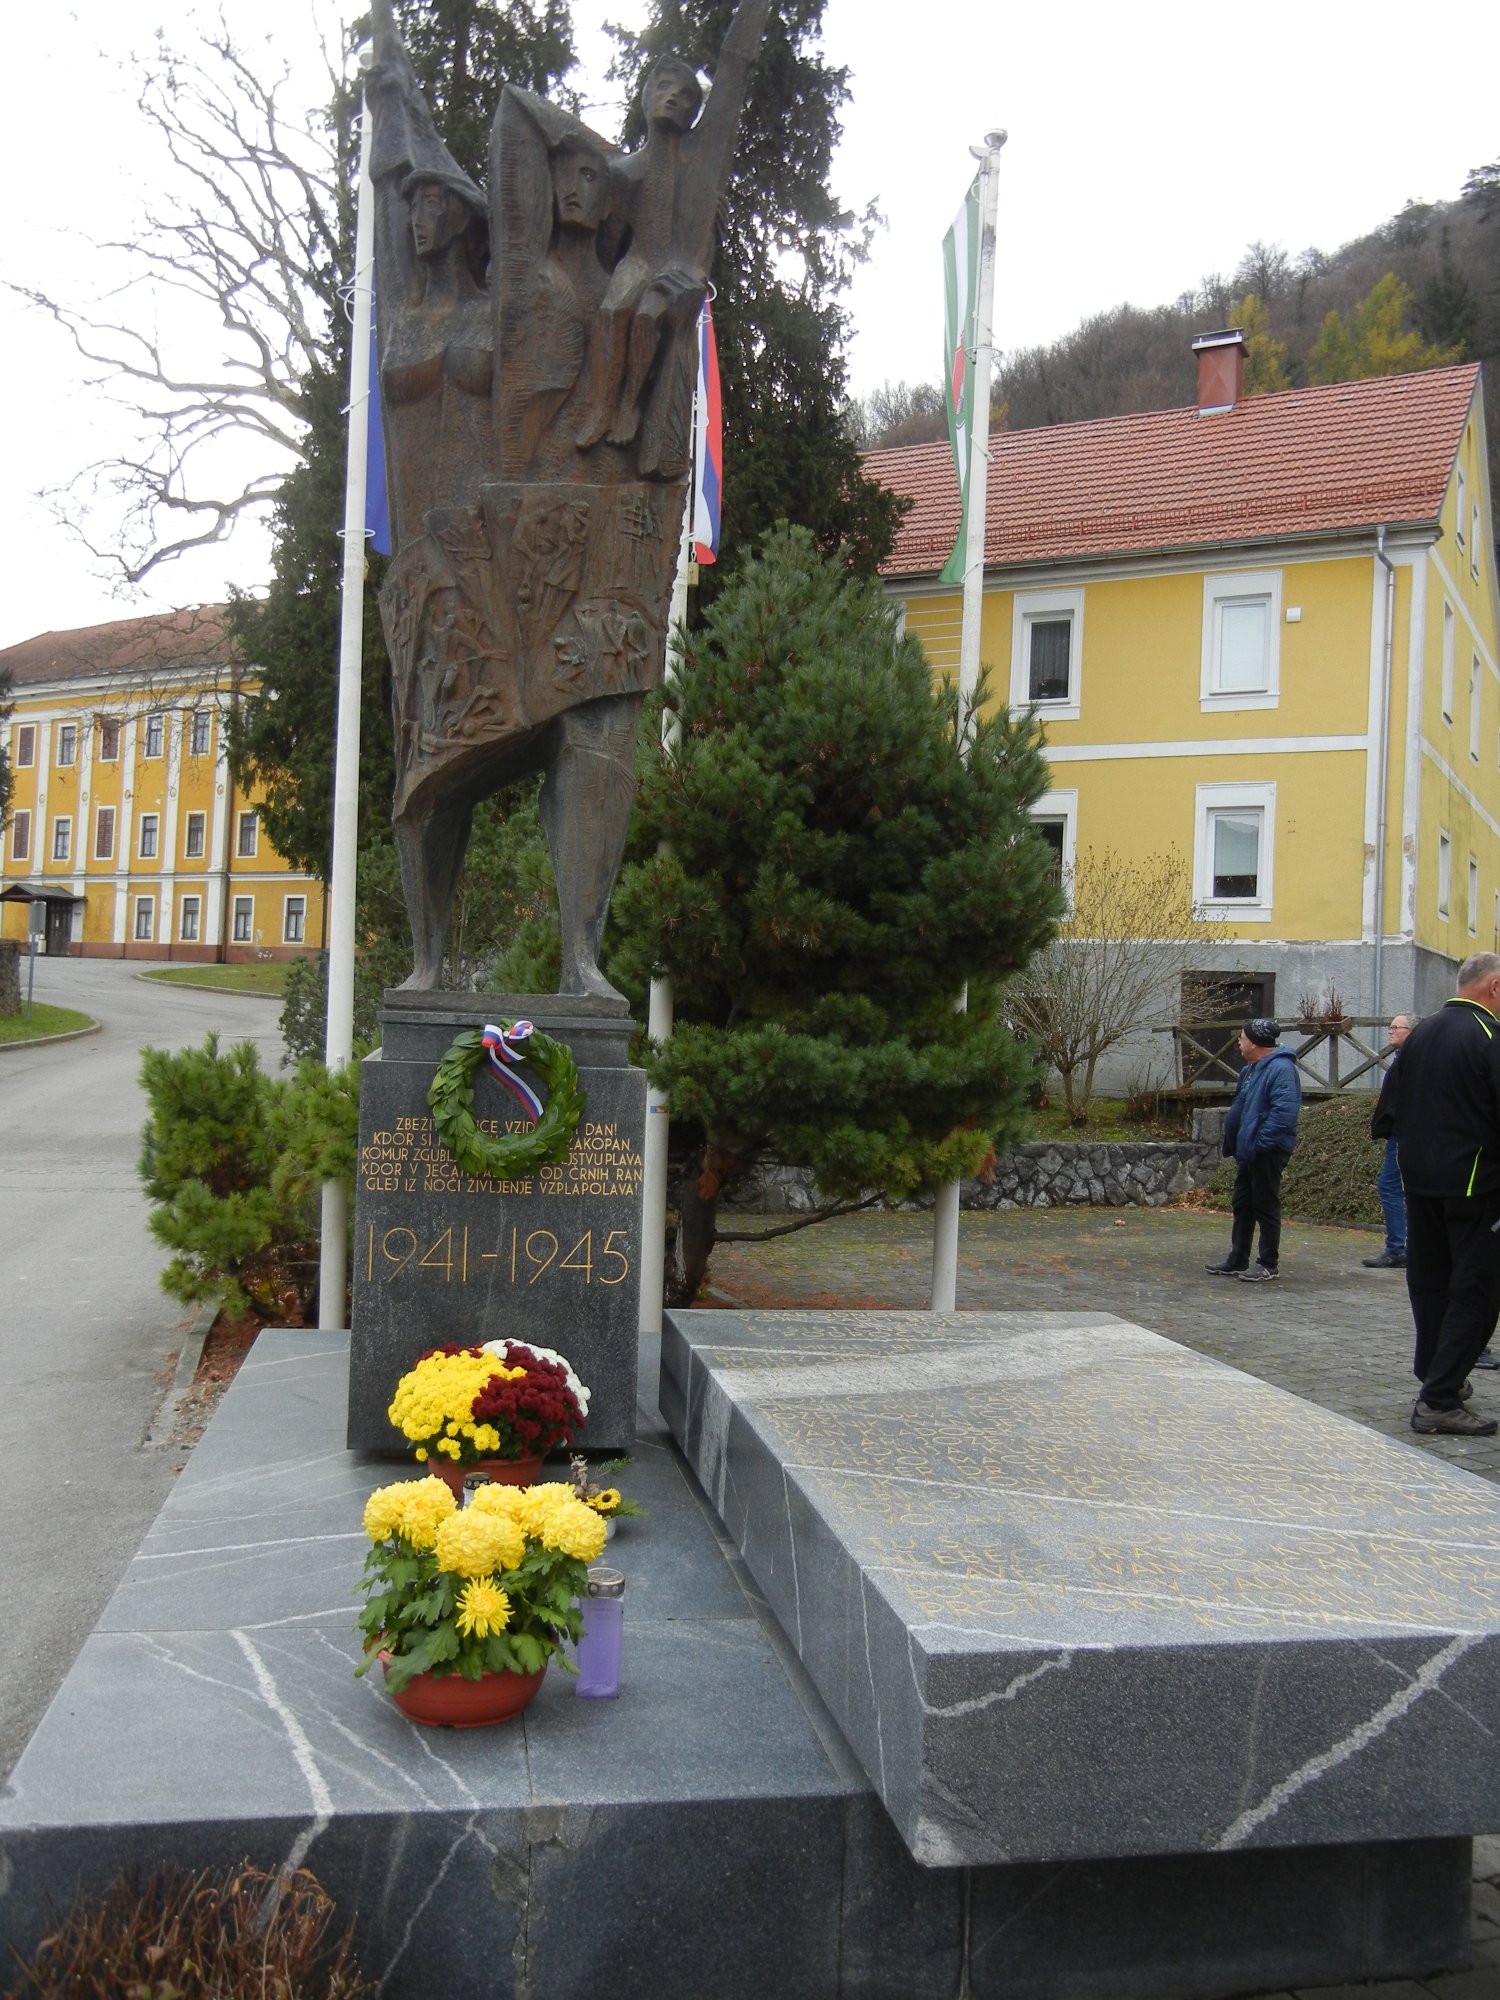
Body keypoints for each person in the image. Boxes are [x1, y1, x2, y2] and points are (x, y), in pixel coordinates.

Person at [1384, 952, 1500, 1436]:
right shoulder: (1488, 1036)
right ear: (1494, 987)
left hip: (1420, 1182)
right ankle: (1438, 1399)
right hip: (1476, 1186)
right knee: (1478, 1291)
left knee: (1430, 1283)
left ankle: (1436, 1373)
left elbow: (1387, 1112)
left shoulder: (1421, 1034)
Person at [1205, 1018, 1301, 1283]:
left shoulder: (1281, 1069)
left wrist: (1260, 1143)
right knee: (1242, 1203)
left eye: (1243, 1037)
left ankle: (1268, 1263)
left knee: (1265, 1203)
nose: (1239, 1041)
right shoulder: (1250, 1070)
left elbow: (1284, 1113)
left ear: (1255, 1042)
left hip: (1266, 1151)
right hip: (1248, 1150)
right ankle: (1238, 1258)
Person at [1364, 1012, 1414, 1268]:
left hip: (1403, 1134)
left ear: (1412, 1032)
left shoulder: (1412, 1061)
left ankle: (1398, 1248)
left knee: (1391, 1186)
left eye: (1397, 1027)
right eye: (1390, 1026)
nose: (1390, 1031)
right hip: (1399, 1132)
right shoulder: (1402, 1058)